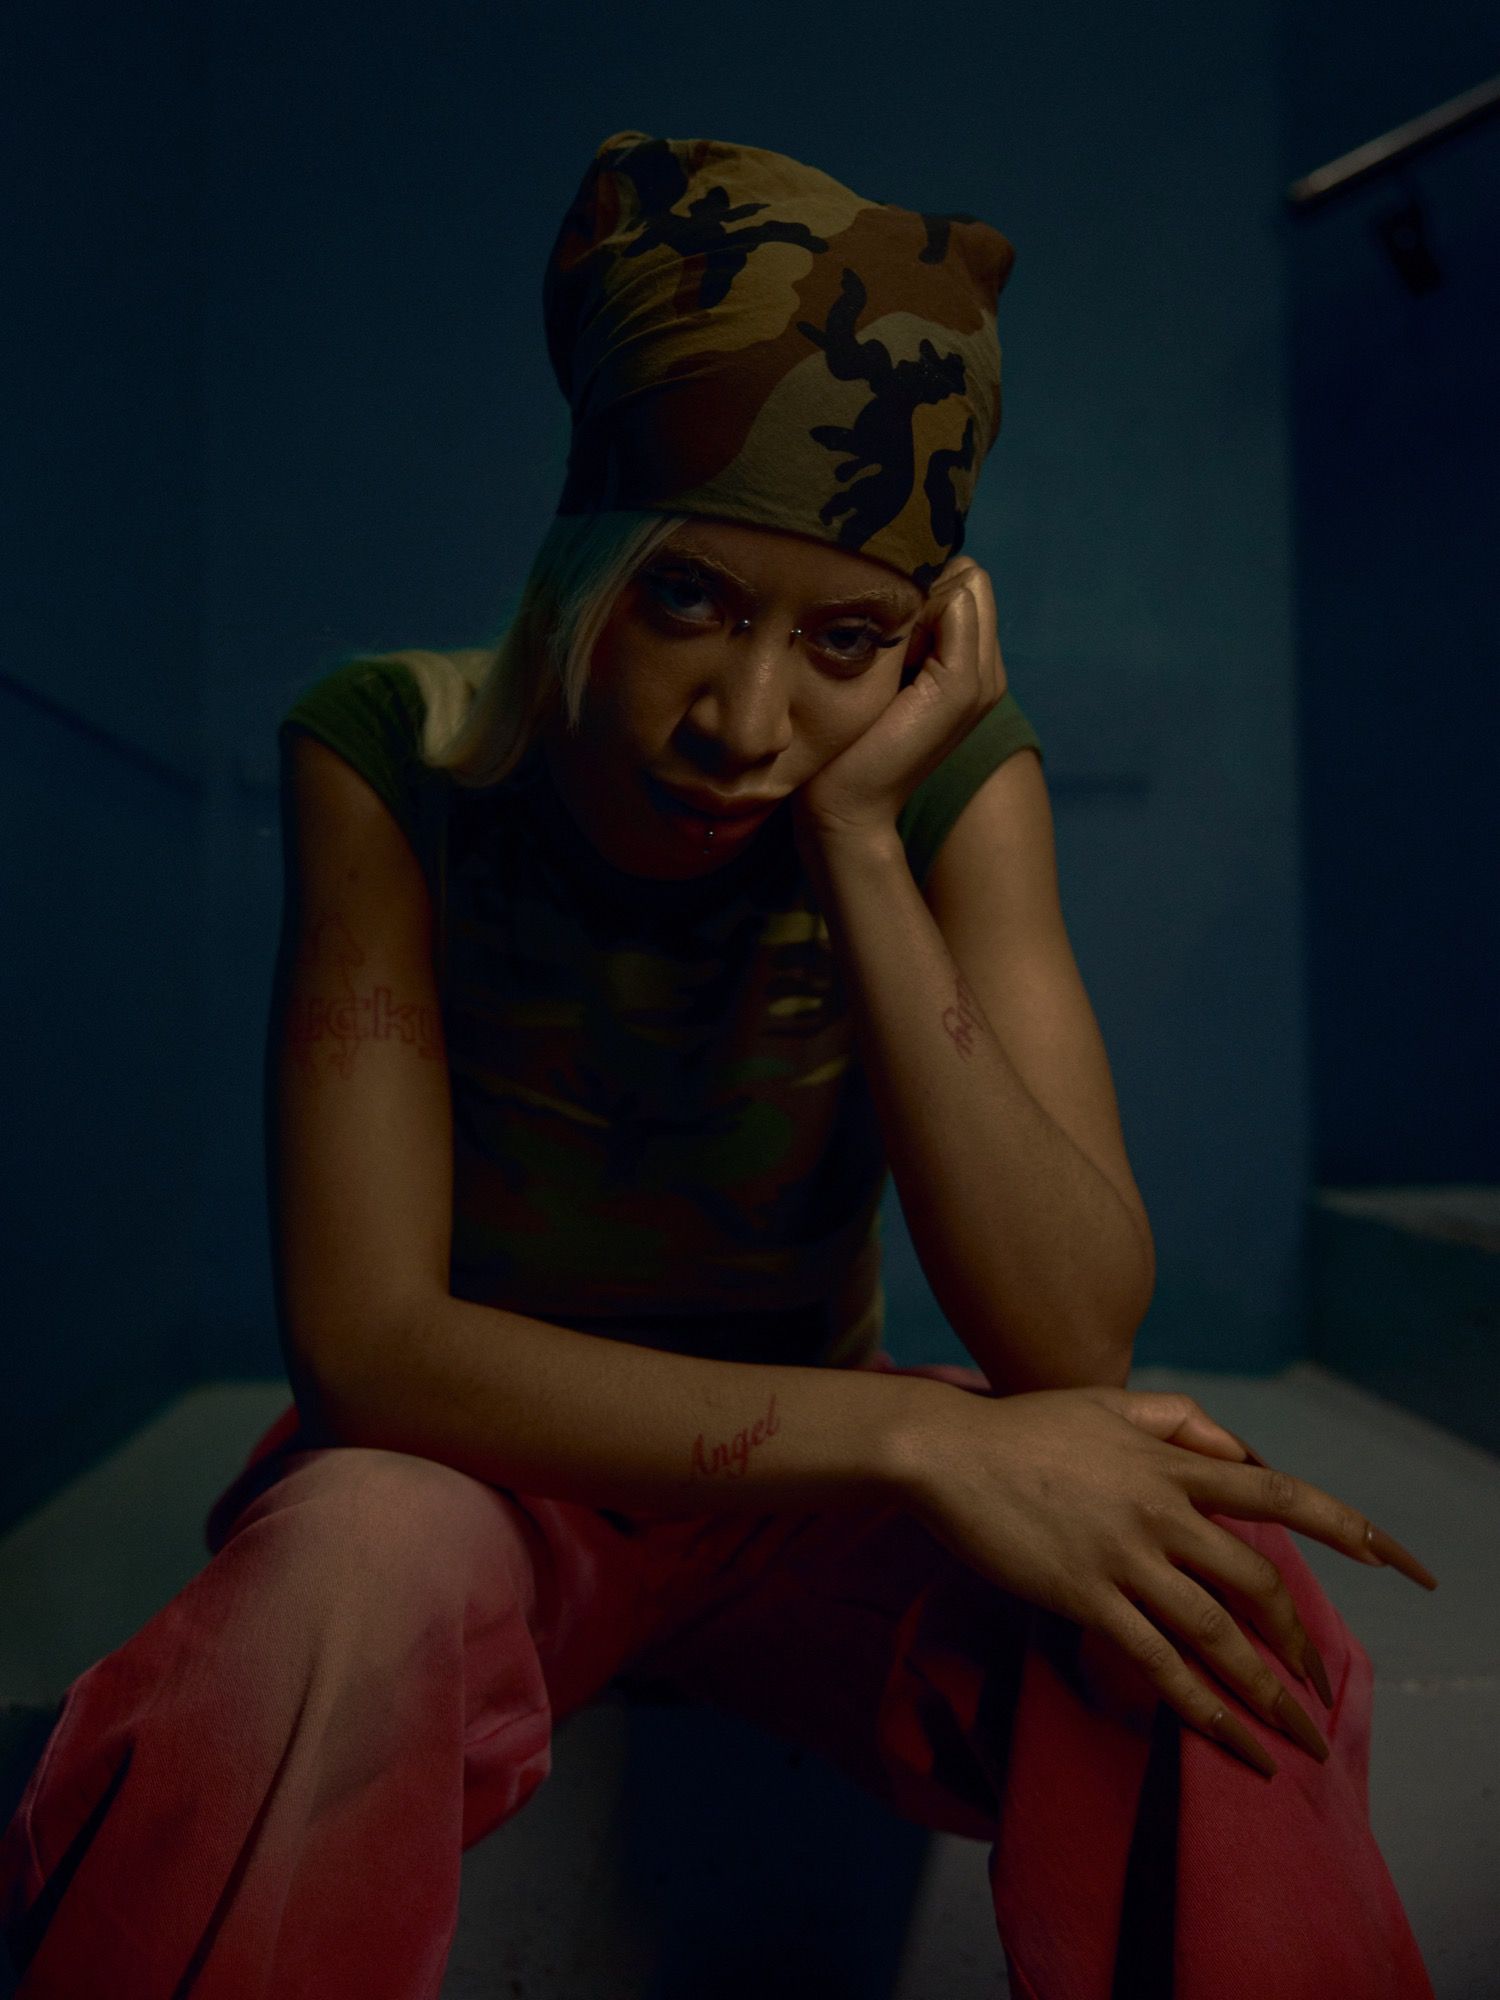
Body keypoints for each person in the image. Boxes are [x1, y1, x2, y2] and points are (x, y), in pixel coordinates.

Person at [0, 129, 1438, 2000]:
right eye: (687, 598)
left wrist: (861, 849)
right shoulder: (390, 755)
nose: (748, 723)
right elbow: (369, 1347)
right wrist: (924, 1435)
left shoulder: (940, 793)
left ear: (919, 641)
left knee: (1210, 1601)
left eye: (844, 640)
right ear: (586, 557)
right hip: (484, 1473)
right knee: (330, 1582)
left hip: (812, 1511)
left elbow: (1073, 1332)